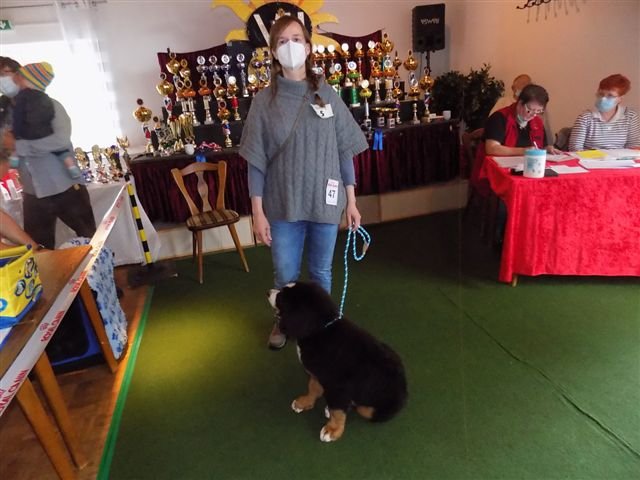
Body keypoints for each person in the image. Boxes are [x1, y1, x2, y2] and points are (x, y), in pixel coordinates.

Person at [239, 16, 369, 350]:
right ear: (273, 51)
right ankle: (284, 321)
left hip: (325, 201)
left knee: (321, 272)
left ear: (309, 47)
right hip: (283, 204)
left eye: (296, 39)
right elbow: (256, 161)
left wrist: (352, 200)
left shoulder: (327, 94)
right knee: (285, 275)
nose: (291, 47)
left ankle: (323, 328)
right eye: (282, 41)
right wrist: (257, 212)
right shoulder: (264, 103)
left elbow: (343, 150)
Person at [0, 56, 96, 250]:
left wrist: (19, 146)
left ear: (19, 74)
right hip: (32, 193)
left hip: (66, 187)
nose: (2, 80)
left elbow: (59, 141)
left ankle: (102, 270)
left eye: (4, 74)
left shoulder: (50, 105)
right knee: (39, 249)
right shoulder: (4, 114)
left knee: (91, 242)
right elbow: (4, 149)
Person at [12, 62, 81, 178]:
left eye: (20, 77)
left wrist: (21, 144)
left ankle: (14, 158)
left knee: (18, 148)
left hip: (59, 182)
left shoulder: (23, 99)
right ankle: (70, 165)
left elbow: (61, 139)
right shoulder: (45, 100)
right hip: (44, 133)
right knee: (62, 152)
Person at [568, 74, 640, 151]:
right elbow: (575, 149)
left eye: (610, 95)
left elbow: (634, 147)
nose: (603, 99)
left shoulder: (630, 116)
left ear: (620, 99)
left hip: (620, 158)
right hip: (590, 157)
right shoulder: (585, 117)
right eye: (601, 94)